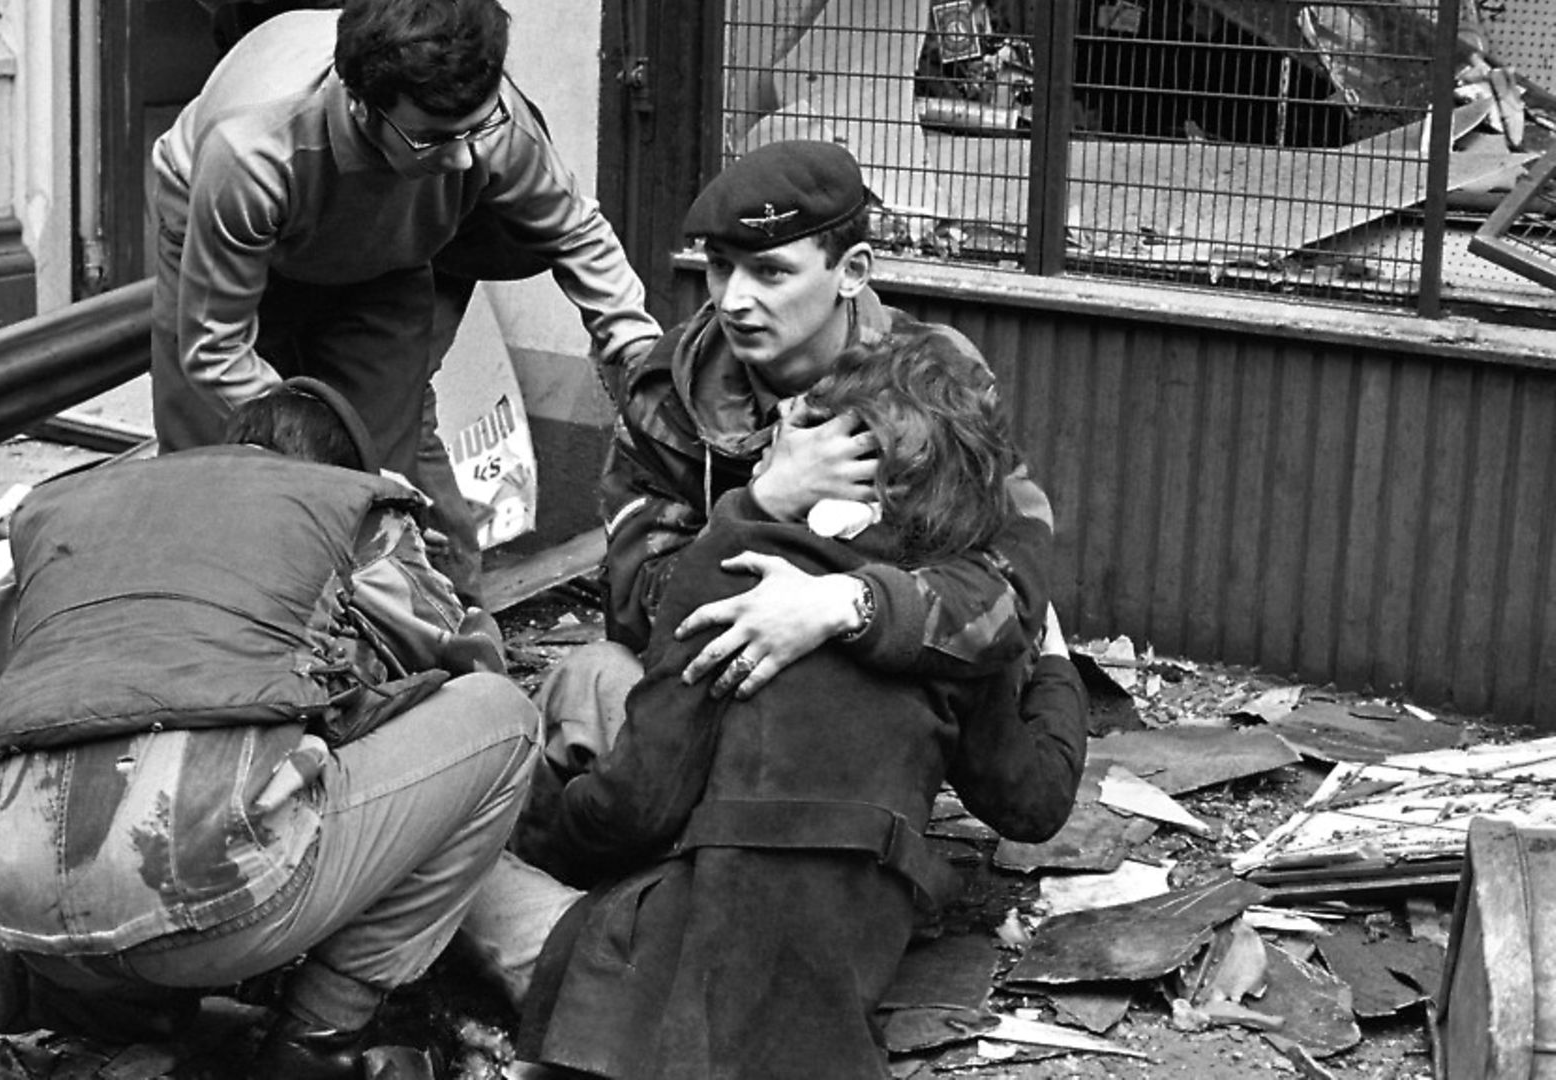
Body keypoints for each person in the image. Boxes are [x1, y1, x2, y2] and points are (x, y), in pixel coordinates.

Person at [0, 382, 539, 1080]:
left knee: (117, 939)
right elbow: (460, 662)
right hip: (207, 889)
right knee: (504, 720)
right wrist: (424, 558)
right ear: (338, 471)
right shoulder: (345, 508)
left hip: (15, 887)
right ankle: (317, 1044)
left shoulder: (65, 510)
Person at [513, 335, 1088, 1079]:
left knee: (472, 855)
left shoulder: (737, 570)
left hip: (682, 985)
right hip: (838, 985)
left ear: (844, 468)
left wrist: (543, 829)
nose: (781, 433)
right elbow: (1036, 800)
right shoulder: (955, 628)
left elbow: (638, 807)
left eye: (806, 428)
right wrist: (1052, 659)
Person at [530, 139, 1054, 796]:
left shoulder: (933, 378)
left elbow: (1010, 591)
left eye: (771, 272)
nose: (735, 300)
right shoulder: (669, 395)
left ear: (852, 270)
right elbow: (635, 610)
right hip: (727, 682)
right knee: (598, 683)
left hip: (877, 692)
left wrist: (840, 604)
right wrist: (763, 504)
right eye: (721, 268)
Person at [148, 0, 661, 604]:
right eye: (438, 138)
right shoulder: (251, 152)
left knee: (385, 477)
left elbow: (575, 233)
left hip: (386, 259)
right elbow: (217, 349)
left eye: (479, 127)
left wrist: (635, 349)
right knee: (217, 471)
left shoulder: (485, 123)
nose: (470, 159)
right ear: (362, 105)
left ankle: (383, 643)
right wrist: (330, 465)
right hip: (231, 229)